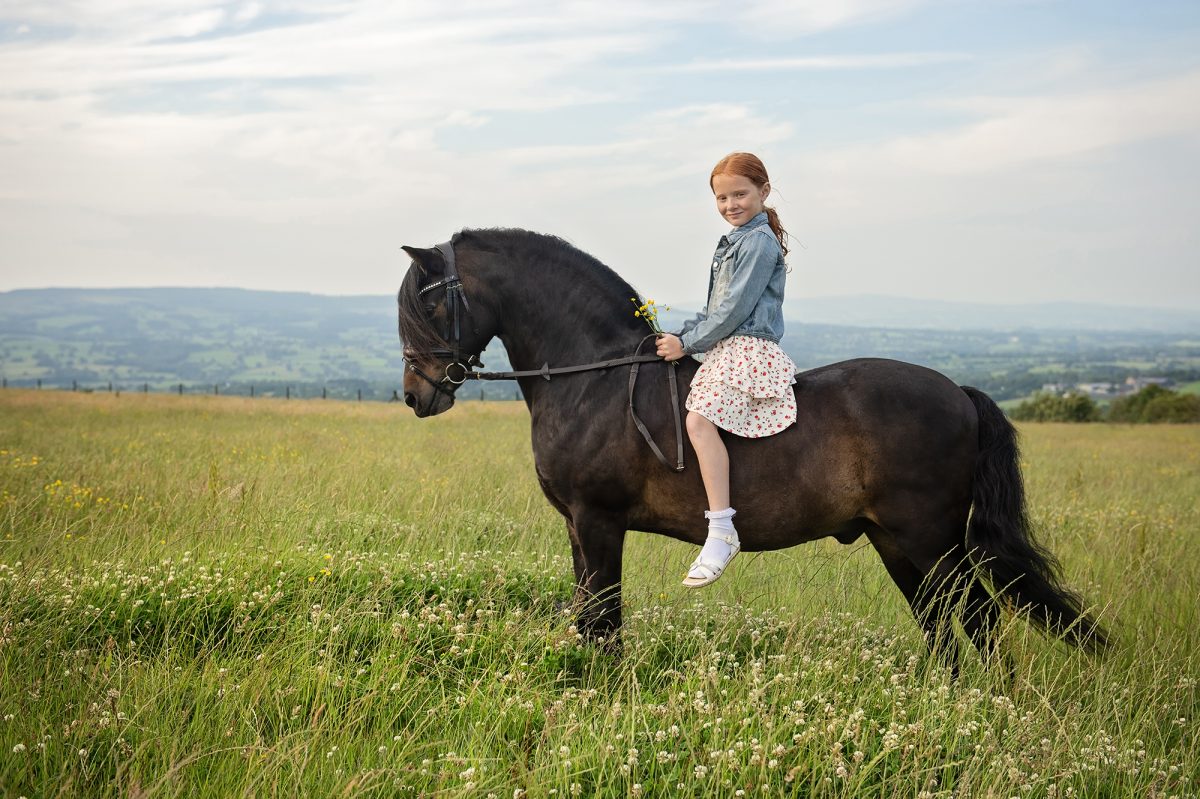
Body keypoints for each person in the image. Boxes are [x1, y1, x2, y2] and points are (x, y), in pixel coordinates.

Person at [656, 152, 797, 588]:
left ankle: (721, 529)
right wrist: (680, 334)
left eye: (740, 194)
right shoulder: (735, 240)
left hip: (747, 347)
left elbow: (734, 310)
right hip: (725, 344)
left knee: (698, 422)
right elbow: (713, 308)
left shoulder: (756, 242)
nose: (731, 204)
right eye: (722, 198)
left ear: (763, 192)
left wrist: (689, 343)